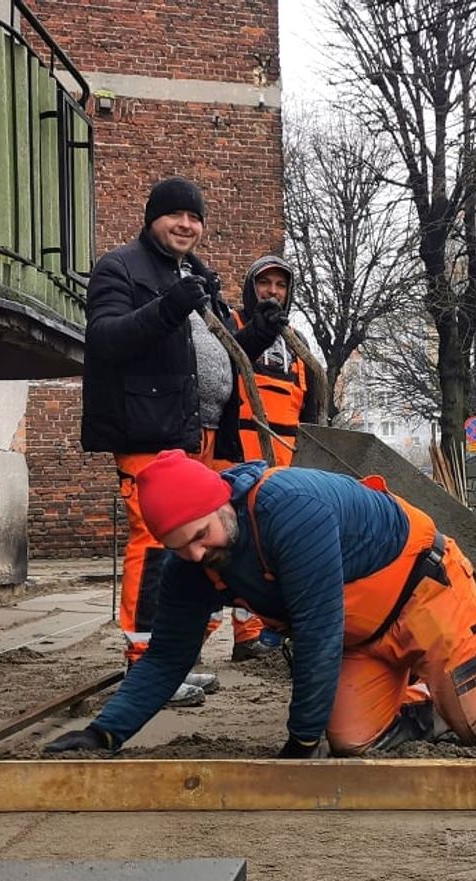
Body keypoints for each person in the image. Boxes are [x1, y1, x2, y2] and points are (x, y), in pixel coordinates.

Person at [43, 450, 476, 757]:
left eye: (200, 534)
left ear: (219, 503)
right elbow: (166, 658)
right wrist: (105, 733)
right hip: (363, 635)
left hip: (425, 595)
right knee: (355, 740)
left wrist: (300, 740)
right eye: (177, 547)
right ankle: (436, 693)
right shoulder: (191, 565)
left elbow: (316, 630)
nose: (194, 553)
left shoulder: (288, 509)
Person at [80, 177, 285, 704]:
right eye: (176, 216)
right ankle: (145, 662)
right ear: (153, 218)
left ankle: (177, 656)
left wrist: (258, 333)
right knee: (155, 542)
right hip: (152, 431)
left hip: (205, 435)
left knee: (204, 545)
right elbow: (105, 339)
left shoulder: (192, 275)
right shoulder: (120, 268)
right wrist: (171, 304)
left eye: (195, 218)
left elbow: (215, 352)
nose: (187, 225)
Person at [221, 255, 318, 662]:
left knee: (279, 548)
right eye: (265, 284)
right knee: (240, 545)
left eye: (280, 285)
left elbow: (310, 403)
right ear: (251, 288)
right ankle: (244, 634)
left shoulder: (296, 341)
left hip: (287, 461)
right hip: (240, 459)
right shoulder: (232, 326)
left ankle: (272, 629)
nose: (272, 292)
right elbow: (225, 368)